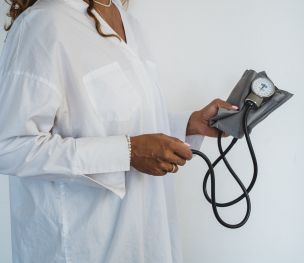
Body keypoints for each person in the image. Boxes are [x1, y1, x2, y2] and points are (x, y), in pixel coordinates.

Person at [0, 0, 238, 262]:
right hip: (82, 247)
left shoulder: (129, 22)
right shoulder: (43, 23)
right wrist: (127, 152)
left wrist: (189, 124)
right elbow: (10, 145)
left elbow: (123, 122)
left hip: (146, 239)